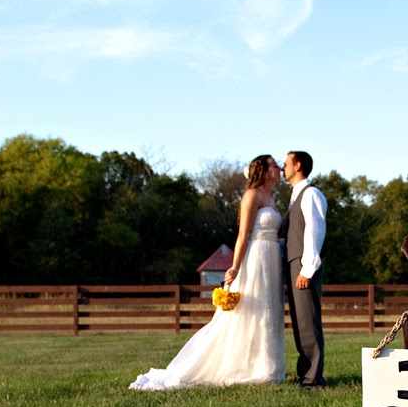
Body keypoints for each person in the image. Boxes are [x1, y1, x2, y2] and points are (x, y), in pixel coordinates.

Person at [129, 155, 286, 390]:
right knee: (252, 309)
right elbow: (243, 234)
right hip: (256, 257)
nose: (279, 168)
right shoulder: (252, 195)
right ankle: (248, 368)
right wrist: (235, 266)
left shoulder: (272, 198)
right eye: (274, 165)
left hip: (272, 257)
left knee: (269, 309)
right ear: (263, 171)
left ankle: (267, 366)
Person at [280, 150, 327, 387]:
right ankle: (306, 373)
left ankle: (313, 377)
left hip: (303, 263)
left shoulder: (311, 194)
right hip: (294, 263)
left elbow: (314, 232)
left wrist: (307, 269)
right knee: (300, 321)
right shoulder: (296, 196)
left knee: (308, 320)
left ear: (297, 166)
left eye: (286, 163)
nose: (283, 168)